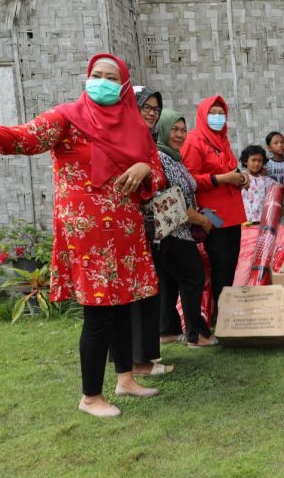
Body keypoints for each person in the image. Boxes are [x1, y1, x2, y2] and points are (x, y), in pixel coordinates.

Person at [0, 53, 165, 417]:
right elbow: (22, 139)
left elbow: (156, 169)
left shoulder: (134, 125)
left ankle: (125, 379)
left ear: (122, 86)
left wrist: (141, 166)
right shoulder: (66, 118)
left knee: (122, 307)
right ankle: (90, 397)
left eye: (110, 77)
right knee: (100, 314)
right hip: (86, 232)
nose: (101, 81)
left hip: (124, 231)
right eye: (96, 75)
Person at [152, 109, 218, 348]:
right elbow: (169, 201)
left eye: (183, 129)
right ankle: (195, 335)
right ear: (163, 130)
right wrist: (200, 220)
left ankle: (167, 330)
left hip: (176, 230)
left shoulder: (174, 158)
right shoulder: (161, 158)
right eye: (174, 129)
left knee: (169, 281)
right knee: (193, 278)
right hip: (175, 231)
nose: (179, 134)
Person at [181, 96, 248, 313]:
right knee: (220, 262)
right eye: (213, 113)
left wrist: (241, 177)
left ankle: (226, 312)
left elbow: (228, 169)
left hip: (233, 212)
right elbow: (189, 179)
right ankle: (221, 315)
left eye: (221, 113)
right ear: (202, 114)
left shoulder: (222, 139)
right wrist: (222, 179)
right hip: (211, 213)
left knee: (230, 263)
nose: (218, 117)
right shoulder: (193, 140)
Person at [128, 85, 173, 376]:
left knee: (149, 292)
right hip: (128, 227)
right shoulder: (125, 138)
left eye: (156, 109)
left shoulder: (149, 139)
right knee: (136, 293)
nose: (152, 113)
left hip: (150, 227)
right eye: (146, 107)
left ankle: (146, 357)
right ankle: (138, 361)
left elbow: (156, 179)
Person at [233, 144, 284, 286]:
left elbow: (279, 188)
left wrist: (280, 187)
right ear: (245, 161)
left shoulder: (266, 181)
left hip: (263, 228)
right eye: (253, 160)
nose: (257, 163)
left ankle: (261, 291)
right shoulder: (240, 178)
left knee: (264, 261)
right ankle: (240, 292)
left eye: (260, 161)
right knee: (245, 262)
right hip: (246, 227)